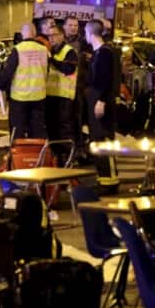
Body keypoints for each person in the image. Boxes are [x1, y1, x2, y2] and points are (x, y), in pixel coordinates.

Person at [0, 23, 49, 139]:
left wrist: (0, 86)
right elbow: (47, 71)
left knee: (18, 129)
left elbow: (8, 72)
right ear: (35, 34)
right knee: (37, 129)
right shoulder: (43, 50)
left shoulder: (18, 49)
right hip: (39, 97)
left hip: (19, 98)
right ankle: (37, 154)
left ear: (22, 34)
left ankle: (19, 154)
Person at [85, 19, 119, 194]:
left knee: (104, 140)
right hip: (97, 99)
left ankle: (111, 181)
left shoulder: (104, 53)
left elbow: (106, 79)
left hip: (101, 100)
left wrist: (102, 101)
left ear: (91, 33)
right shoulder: (98, 53)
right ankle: (103, 179)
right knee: (97, 140)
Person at [45, 23, 78, 160]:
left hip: (64, 97)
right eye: (49, 36)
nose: (51, 39)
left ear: (62, 35)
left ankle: (70, 158)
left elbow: (68, 69)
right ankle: (57, 157)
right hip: (50, 96)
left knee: (65, 129)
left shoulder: (69, 51)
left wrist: (52, 61)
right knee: (52, 129)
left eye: (54, 35)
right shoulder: (50, 51)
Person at [64, 15, 91, 159]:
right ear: (64, 27)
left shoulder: (84, 43)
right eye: (70, 25)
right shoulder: (60, 43)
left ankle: (79, 148)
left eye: (75, 25)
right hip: (63, 89)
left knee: (78, 119)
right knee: (65, 120)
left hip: (79, 87)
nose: (73, 28)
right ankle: (68, 149)